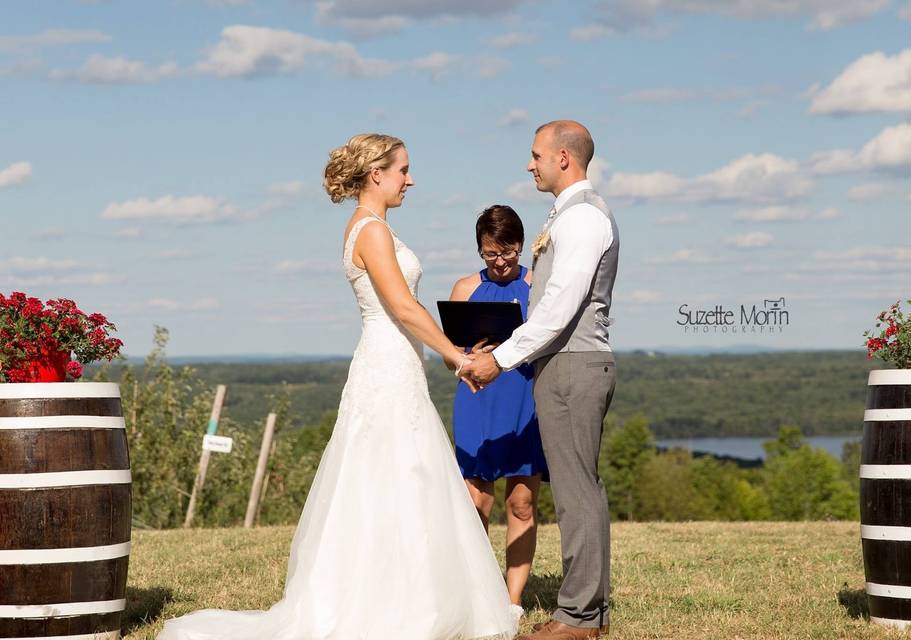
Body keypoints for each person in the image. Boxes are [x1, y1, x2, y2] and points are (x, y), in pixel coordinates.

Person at [157, 134, 520, 640]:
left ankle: (412, 594)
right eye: (403, 170)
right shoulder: (370, 231)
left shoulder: (371, 228)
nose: (410, 180)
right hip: (387, 363)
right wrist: (457, 356)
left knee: (402, 477)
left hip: (394, 362)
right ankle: (392, 603)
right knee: (394, 475)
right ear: (377, 174)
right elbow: (403, 307)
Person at [461, 120, 619, 640]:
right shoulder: (569, 216)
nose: (530, 164)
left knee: (577, 492)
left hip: (574, 364)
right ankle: (582, 613)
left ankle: (578, 619)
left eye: (536, 156)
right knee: (576, 492)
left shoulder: (582, 220)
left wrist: (498, 359)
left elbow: (556, 310)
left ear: (564, 158)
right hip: (561, 365)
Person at [450, 204, 550, 606]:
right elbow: (448, 354)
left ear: (521, 246)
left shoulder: (540, 284)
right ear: (480, 250)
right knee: (476, 502)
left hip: (525, 399)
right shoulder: (465, 288)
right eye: (491, 254)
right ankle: (475, 591)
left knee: (521, 501)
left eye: (508, 251)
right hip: (477, 400)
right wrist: (466, 358)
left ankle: (511, 601)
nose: (501, 261)